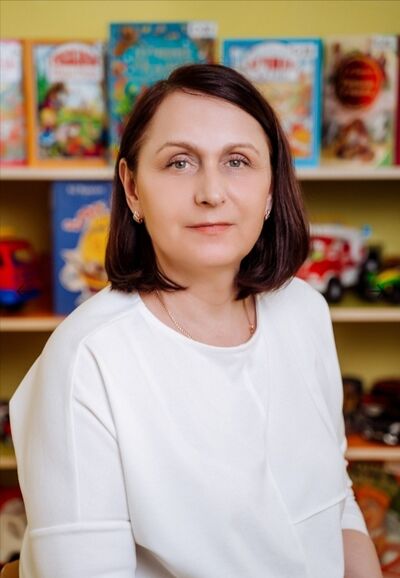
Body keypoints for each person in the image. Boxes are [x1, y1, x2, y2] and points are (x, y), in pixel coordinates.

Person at [10, 64, 382, 578]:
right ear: (132, 188)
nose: (211, 192)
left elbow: (334, 503)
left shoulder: (304, 310)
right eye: (180, 162)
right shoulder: (86, 360)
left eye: (237, 161)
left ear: (271, 187)